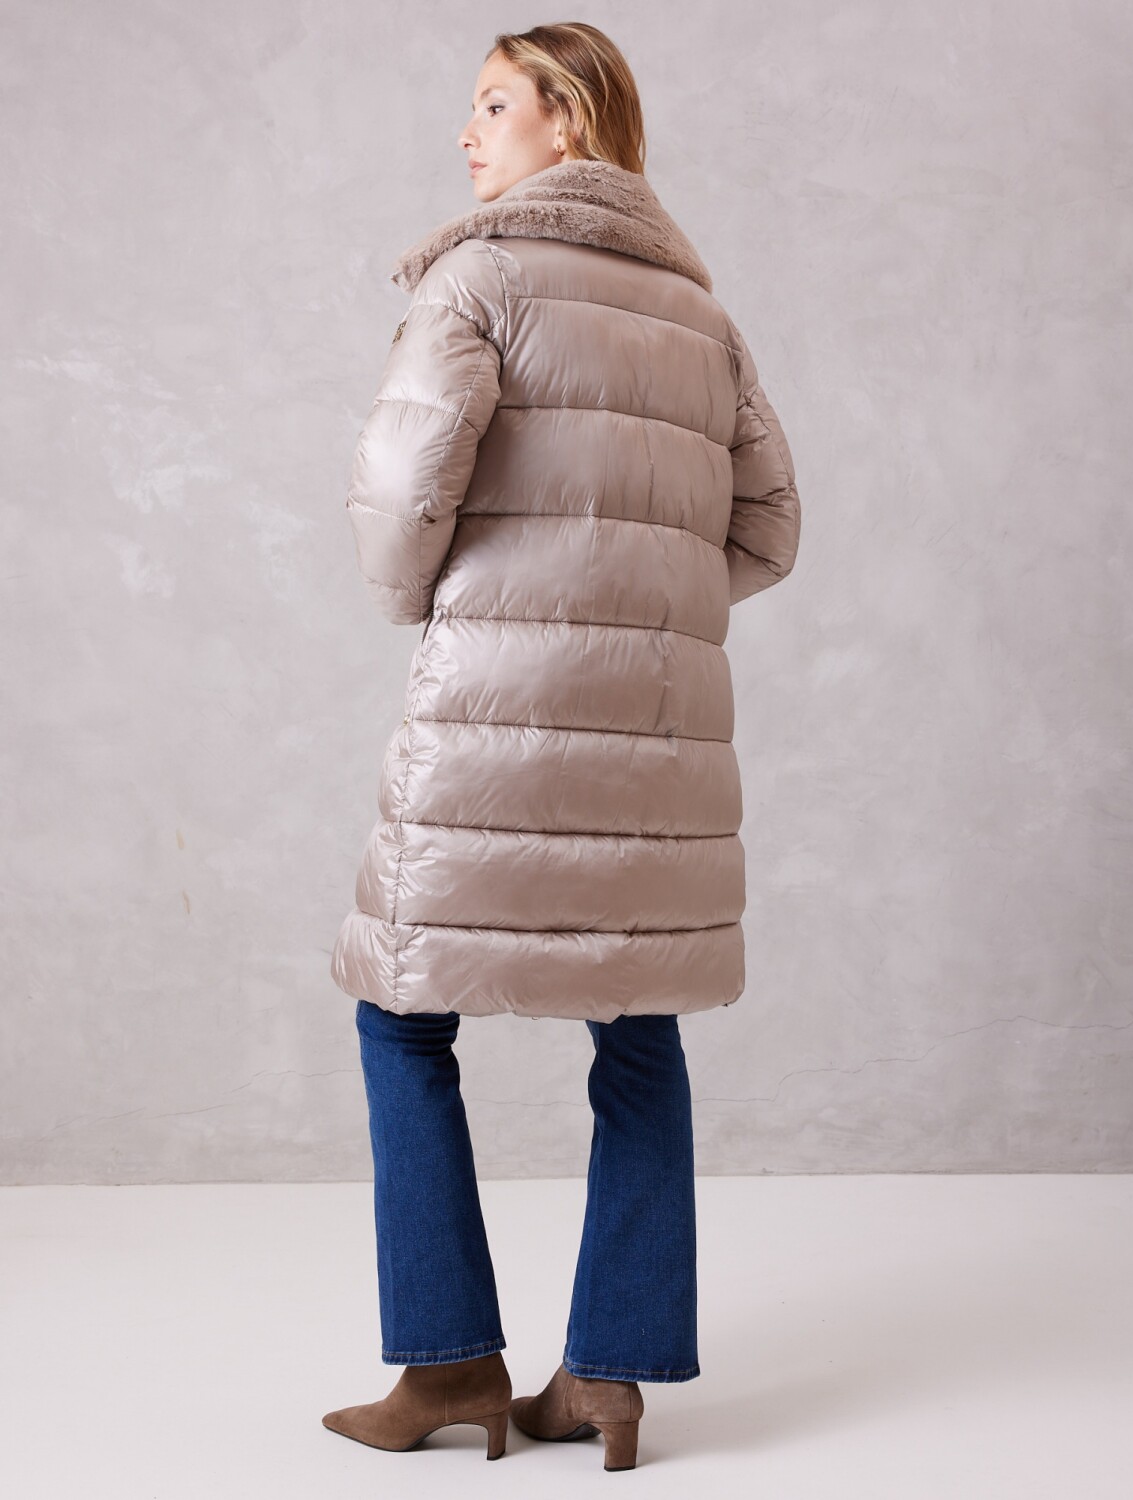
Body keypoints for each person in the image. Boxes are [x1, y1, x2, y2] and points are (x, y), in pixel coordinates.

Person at [321, 21, 801, 1471]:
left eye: (493, 105)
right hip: (656, 731)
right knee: (636, 1022)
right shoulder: (701, 317)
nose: (467, 134)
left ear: (570, 122)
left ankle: (448, 1364)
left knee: (403, 1011)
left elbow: (402, 491)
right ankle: (610, 1376)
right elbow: (770, 529)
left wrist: (427, 598)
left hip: (488, 717)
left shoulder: (478, 277)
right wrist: (641, 605)